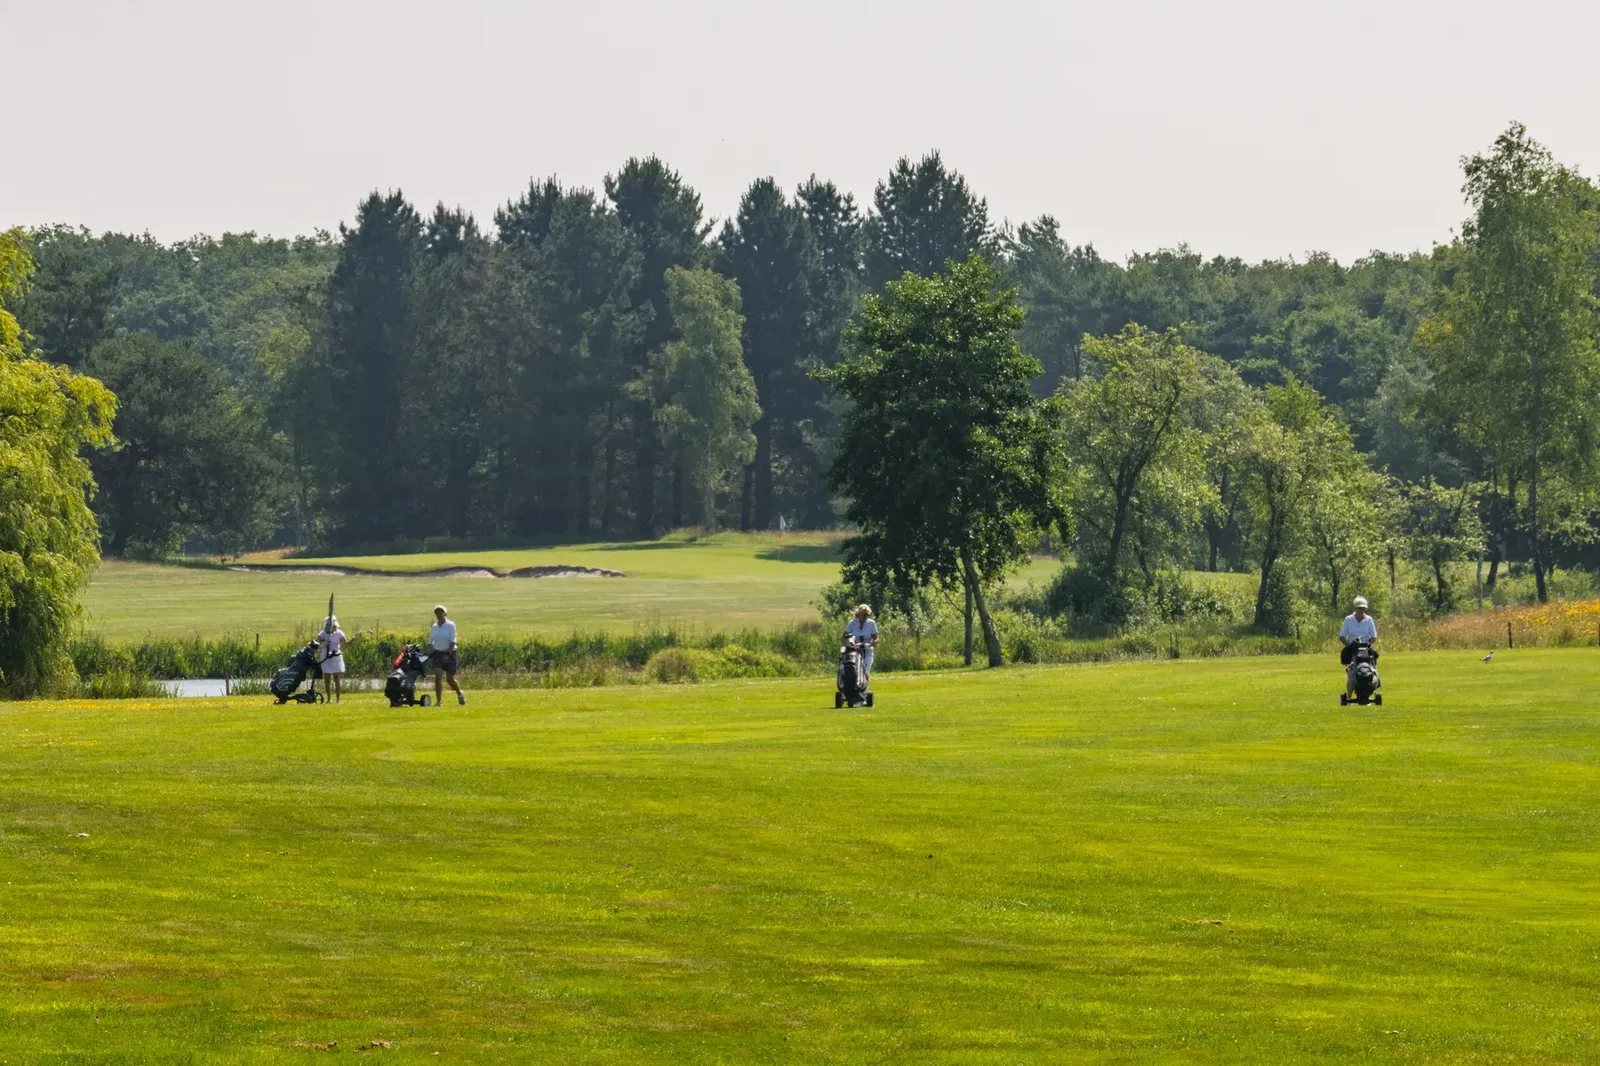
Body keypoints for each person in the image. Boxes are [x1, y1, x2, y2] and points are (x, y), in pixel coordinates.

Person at [1338, 595, 1378, 696]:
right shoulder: (1348, 619)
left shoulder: (1369, 620)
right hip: (1353, 648)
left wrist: (1368, 644)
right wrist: (1349, 646)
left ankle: (1367, 692)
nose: (1361, 610)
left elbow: (1373, 636)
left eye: (1363, 608)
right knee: (1352, 672)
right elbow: (1342, 636)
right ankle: (1349, 697)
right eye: (1359, 608)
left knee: (1370, 669)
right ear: (1355, 608)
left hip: (1366, 648)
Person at [428, 604, 465, 706]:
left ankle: (459, 693)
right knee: (438, 677)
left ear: (445, 613)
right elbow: (431, 641)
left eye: (441, 612)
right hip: (437, 653)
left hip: (449, 653)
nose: (439, 614)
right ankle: (439, 701)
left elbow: (453, 641)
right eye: (437, 612)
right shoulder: (434, 627)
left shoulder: (450, 625)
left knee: (450, 679)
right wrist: (430, 648)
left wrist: (448, 654)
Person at [843, 604, 879, 685]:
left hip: (867, 650)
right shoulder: (852, 623)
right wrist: (848, 644)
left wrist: (871, 643)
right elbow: (844, 636)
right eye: (864, 614)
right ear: (858, 614)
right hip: (855, 650)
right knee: (854, 670)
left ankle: (865, 690)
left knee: (865, 670)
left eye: (868, 615)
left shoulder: (872, 623)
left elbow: (876, 638)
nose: (866, 616)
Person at [317, 615, 347, 703]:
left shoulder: (339, 633)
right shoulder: (323, 633)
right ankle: (329, 699)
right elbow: (317, 641)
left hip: (336, 656)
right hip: (326, 657)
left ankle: (338, 699)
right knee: (327, 678)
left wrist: (354, 639)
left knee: (337, 678)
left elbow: (345, 643)